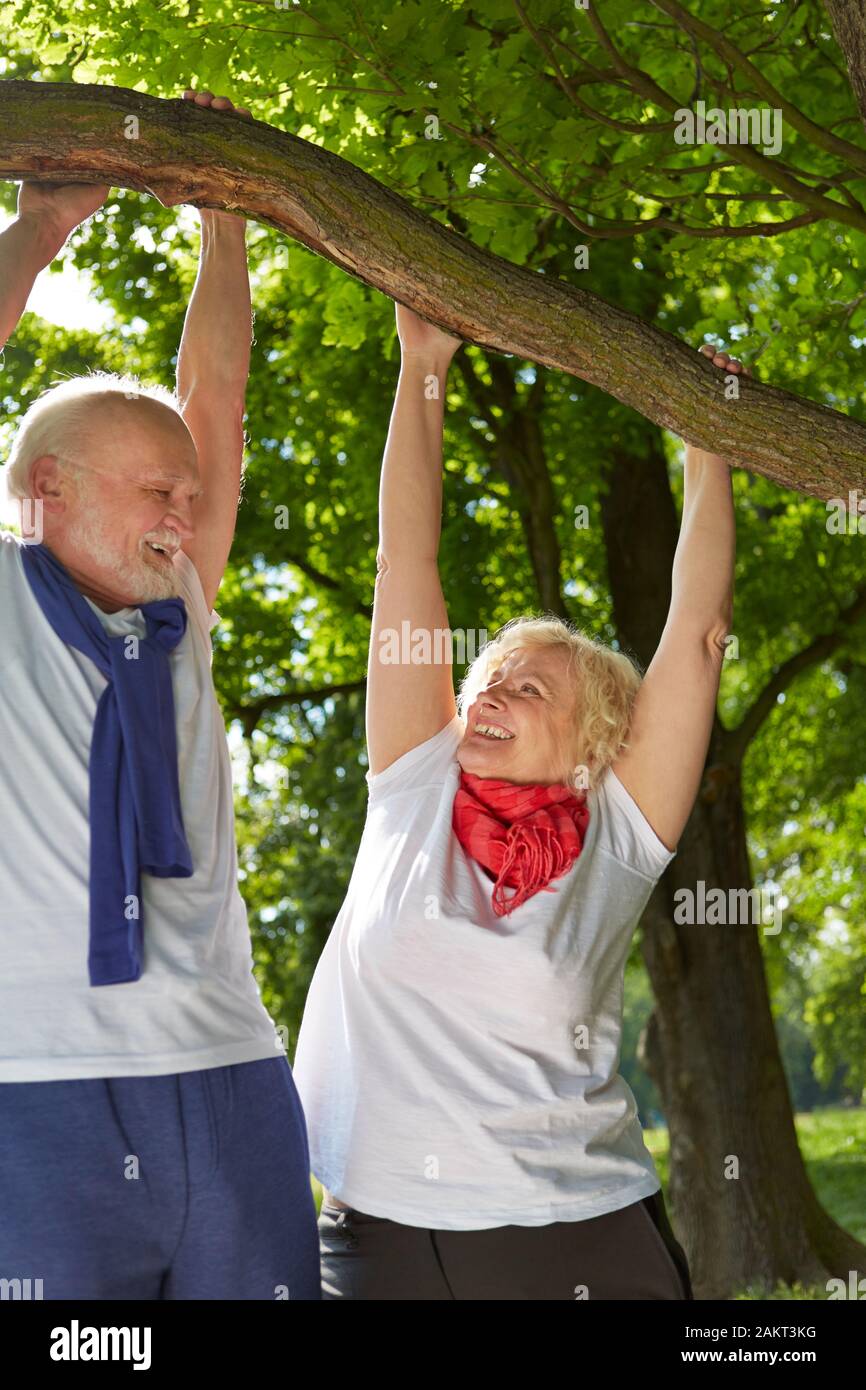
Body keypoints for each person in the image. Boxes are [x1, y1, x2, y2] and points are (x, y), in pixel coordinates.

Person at [292, 303, 745, 1300]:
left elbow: (697, 632)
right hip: (380, 1235)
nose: (491, 691)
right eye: (488, 677)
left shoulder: (616, 834)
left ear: (591, 750)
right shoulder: (415, 780)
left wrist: (706, 452)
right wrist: (423, 365)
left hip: (573, 1237)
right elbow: (403, 561)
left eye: (529, 688)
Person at [0, 89, 319, 1300]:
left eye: (188, 497)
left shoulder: (179, 604)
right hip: (36, 1087)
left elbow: (217, 409)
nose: (186, 515)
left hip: (229, 1073)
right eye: (153, 493)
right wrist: (38, 231)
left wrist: (224, 218)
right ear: (46, 490)